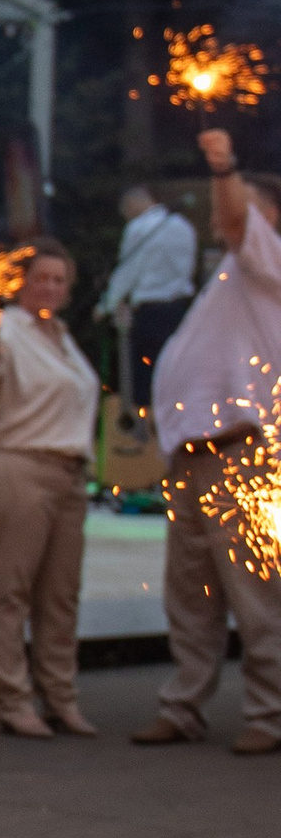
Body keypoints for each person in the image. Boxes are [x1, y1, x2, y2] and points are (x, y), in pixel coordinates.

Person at [130, 126, 281, 753]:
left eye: (249, 209)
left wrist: (223, 168)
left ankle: (269, 716)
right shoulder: (231, 278)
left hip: (244, 455)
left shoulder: (268, 260)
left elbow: (237, 218)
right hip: (196, 455)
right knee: (189, 593)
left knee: (256, 597)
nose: (232, 219)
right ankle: (185, 705)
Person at [0, 239, 101, 739]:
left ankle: (60, 697)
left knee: (61, 594)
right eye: (41, 277)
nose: (49, 287)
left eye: (59, 280)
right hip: (20, 467)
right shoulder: (3, 327)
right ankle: (12, 699)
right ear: (20, 282)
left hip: (68, 474)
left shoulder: (64, 336)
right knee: (9, 590)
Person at [97, 182, 198, 413]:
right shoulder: (184, 226)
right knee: (174, 370)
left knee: (146, 374)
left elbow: (128, 271)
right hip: (180, 309)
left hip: (150, 311)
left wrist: (106, 305)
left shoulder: (141, 228)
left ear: (131, 204)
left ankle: (144, 432)